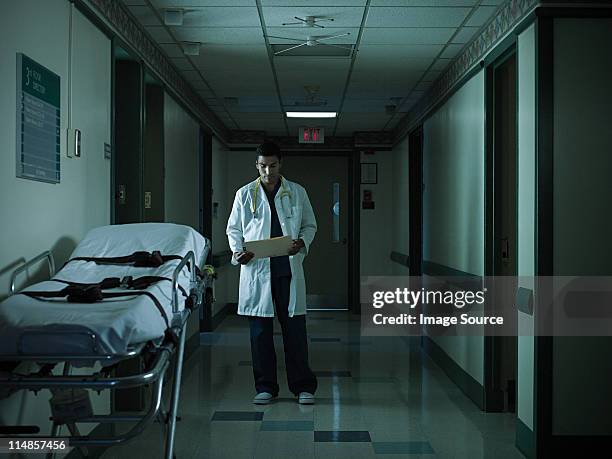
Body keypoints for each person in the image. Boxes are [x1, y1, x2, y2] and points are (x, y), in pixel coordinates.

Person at [226, 142, 318, 405]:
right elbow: (234, 229)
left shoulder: (297, 192)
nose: (268, 171)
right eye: (263, 166)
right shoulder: (244, 194)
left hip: (287, 271)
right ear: (257, 165)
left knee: (295, 333)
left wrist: (303, 242)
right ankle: (265, 386)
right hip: (257, 271)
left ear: (281, 164)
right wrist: (237, 252)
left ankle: (303, 386)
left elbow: (310, 225)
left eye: (273, 165)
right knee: (260, 334)